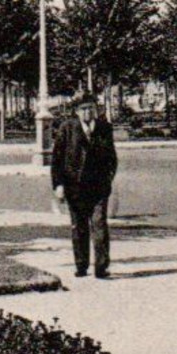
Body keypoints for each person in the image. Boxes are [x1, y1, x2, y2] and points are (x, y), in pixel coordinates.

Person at [51, 93, 118, 278]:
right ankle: (81, 265)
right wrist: (58, 185)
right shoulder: (67, 129)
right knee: (79, 227)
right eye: (84, 109)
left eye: (91, 108)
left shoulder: (104, 128)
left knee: (99, 225)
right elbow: (57, 160)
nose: (88, 112)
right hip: (75, 187)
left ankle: (101, 267)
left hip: (98, 187)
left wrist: (108, 179)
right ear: (77, 112)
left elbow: (112, 158)